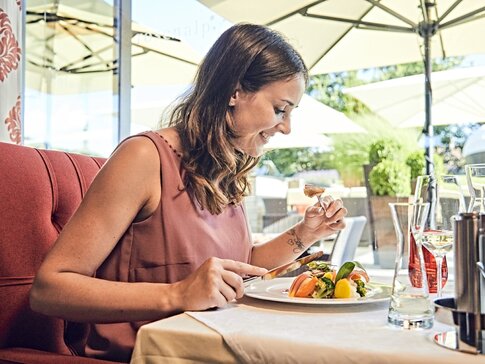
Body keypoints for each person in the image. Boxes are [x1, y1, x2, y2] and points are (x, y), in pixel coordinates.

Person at [30, 23, 347, 362]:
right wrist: (177, 294)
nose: (286, 128)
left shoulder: (223, 170)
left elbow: (238, 269)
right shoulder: (143, 157)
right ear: (234, 92)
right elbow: (49, 289)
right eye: (280, 109)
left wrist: (305, 234)